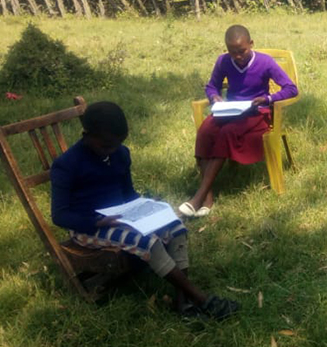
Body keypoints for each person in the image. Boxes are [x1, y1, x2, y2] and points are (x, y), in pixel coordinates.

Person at [51, 101, 239, 320]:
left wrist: (147, 205)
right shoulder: (67, 164)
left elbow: (128, 194)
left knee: (176, 227)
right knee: (146, 241)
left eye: (117, 145)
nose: (112, 150)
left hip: (122, 216)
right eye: (105, 146)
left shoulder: (120, 153)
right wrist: (96, 222)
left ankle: (182, 302)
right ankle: (200, 299)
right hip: (88, 225)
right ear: (87, 134)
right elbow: (60, 215)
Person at [180, 25, 298, 217]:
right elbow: (212, 86)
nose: (238, 56)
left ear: (251, 44)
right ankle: (207, 198)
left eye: (242, 51)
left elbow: (291, 88)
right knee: (205, 131)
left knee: (227, 133)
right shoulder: (223, 61)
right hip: (230, 111)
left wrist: (268, 99)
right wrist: (214, 97)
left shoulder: (265, 62)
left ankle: (198, 196)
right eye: (232, 52)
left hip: (256, 112)